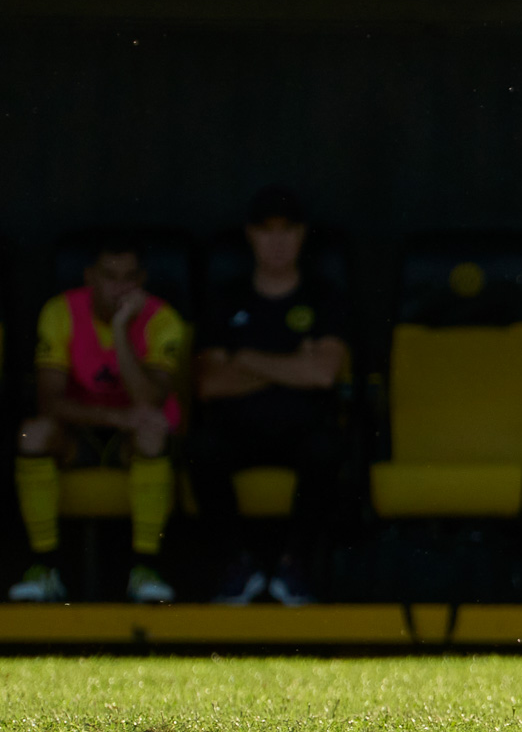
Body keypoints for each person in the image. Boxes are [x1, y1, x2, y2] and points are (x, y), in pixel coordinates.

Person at [190, 186, 349, 605]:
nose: (277, 242)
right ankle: (236, 567)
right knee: (202, 450)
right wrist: (291, 363)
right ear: (251, 236)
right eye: (267, 231)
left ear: (302, 236)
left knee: (327, 451)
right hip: (238, 429)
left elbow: (323, 375)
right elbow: (209, 384)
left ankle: (294, 568)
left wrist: (243, 359)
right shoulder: (226, 298)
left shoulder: (324, 297)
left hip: (302, 429)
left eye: (287, 230)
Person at [9, 234, 183, 603]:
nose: (121, 287)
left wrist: (121, 330)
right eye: (110, 276)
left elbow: (149, 401)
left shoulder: (163, 319)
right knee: (32, 434)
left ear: (142, 281)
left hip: (134, 440)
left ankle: (145, 569)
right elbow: (49, 401)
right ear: (90, 277)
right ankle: (45, 567)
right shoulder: (60, 311)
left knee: (153, 434)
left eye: (130, 277)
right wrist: (117, 417)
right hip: (80, 435)